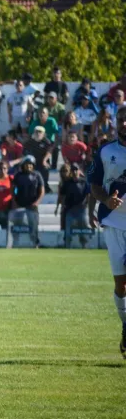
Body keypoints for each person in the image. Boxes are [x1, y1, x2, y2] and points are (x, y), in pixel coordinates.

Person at [88, 107, 126, 357]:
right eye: (121, 119)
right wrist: (106, 201)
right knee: (121, 285)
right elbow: (94, 186)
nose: (124, 123)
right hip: (114, 223)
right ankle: (125, 325)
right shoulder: (106, 151)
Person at [11, 156, 46, 246]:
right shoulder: (18, 175)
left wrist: (36, 203)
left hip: (32, 206)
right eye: (27, 164)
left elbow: (42, 191)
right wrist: (14, 202)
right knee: (17, 225)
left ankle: (35, 244)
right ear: (23, 165)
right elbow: (13, 190)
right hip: (20, 204)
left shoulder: (37, 175)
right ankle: (15, 243)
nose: (29, 166)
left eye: (31, 165)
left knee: (33, 226)